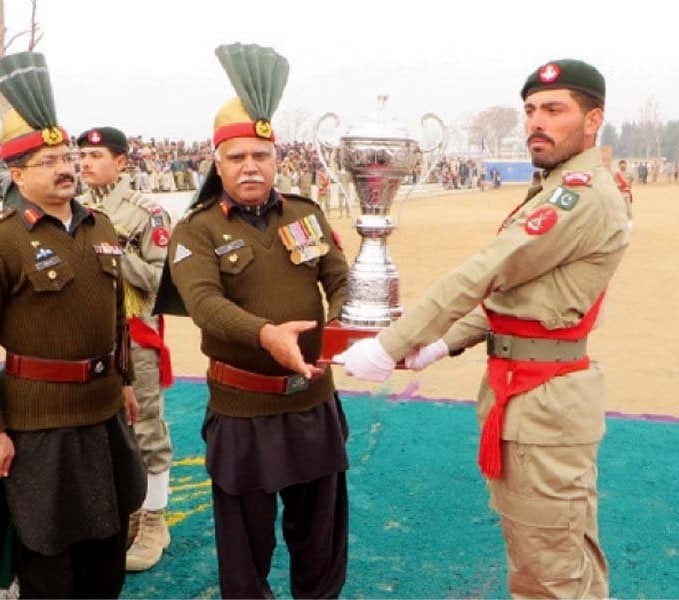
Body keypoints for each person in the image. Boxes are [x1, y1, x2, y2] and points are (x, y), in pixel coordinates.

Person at [336, 58, 631, 598]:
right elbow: (515, 295)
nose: (536, 121)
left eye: (554, 109)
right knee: (564, 561)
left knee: (548, 578)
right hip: (533, 400)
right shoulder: (557, 186)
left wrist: (390, 344)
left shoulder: (579, 194)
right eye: (530, 110)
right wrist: (441, 343)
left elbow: (487, 271)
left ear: (594, 121)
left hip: (543, 405)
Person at [0, 52, 145, 598]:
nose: (66, 168)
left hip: (103, 413)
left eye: (68, 157)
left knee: (107, 555)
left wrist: (125, 381)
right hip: (41, 427)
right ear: (16, 174)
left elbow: (115, 314)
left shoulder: (99, 224)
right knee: (49, 562)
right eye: (48, 161)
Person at [155, 43, 350, 599]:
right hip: (244, 412)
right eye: (237, 157)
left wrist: (339, 325)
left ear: (275, 160)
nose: (250, 167)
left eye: (260, 156)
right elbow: (205, 306)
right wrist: (266, 334)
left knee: (321, 542)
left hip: (312, 401)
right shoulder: (196, 230)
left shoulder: (306, 214)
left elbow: (338, 279)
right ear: (217, 164)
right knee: (246, 555)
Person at [77, 126, 174, 572]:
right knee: (106, 428)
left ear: (121, 162)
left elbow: (161, 282)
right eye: (81, 155)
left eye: (96, 155)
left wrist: (116, 253)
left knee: (146, 428)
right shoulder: (71, 210)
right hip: (87, 333)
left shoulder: (147, 213)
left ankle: (154, 518)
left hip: (135, 334)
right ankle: (131, 508)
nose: (85, 163)